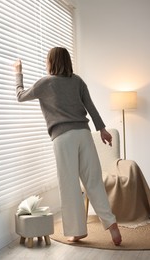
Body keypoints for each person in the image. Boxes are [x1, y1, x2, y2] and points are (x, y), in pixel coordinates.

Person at [13, 47, 122, 246]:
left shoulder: (46, 83)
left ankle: (77, 232)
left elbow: (20, 96)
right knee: (94, 181)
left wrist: (18, 72)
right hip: (84, 134)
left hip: (63, 138)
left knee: (70, 185)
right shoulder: (78, 81)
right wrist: (103, 130)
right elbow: (91, 107)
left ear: (50, 62)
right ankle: (112, 225)